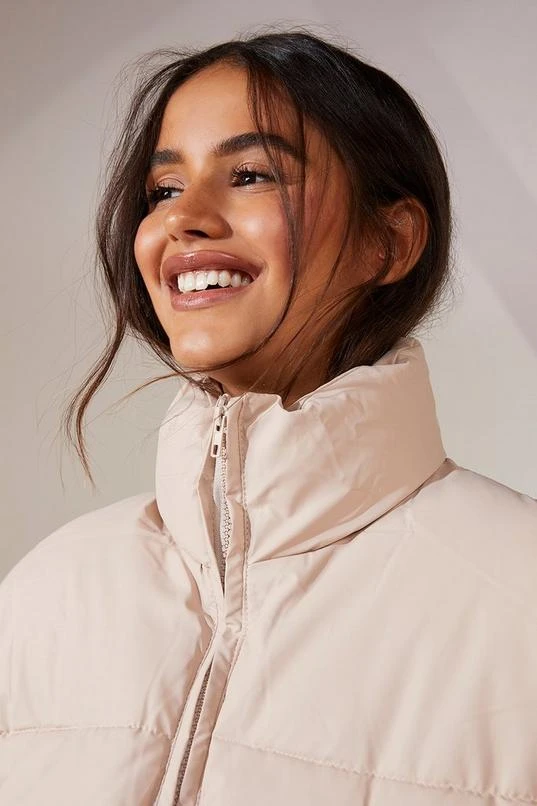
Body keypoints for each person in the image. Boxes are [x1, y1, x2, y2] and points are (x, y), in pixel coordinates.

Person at [0, 29, 535, 806]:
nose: (184, 219)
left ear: (389, 242)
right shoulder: (49, 592)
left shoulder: (518, 594)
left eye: (250, 175)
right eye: (163, 190)